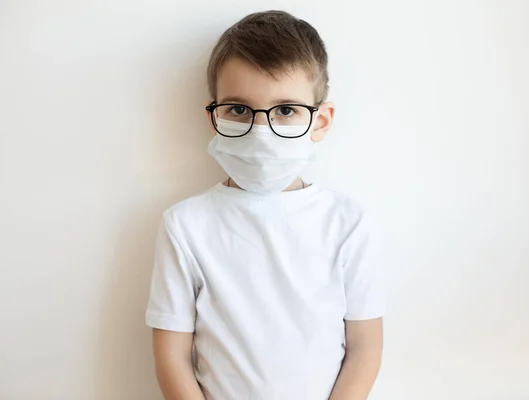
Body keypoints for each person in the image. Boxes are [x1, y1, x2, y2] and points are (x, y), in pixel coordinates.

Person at [146, 10, 384, 400]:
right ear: (214, 115)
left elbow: (365, 350)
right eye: (239, 109)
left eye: (286, 109)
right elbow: (171, 356)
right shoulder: (185, 225)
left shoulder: (349, 223)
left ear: (321, 122)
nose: (261, 133)